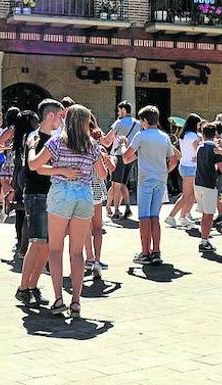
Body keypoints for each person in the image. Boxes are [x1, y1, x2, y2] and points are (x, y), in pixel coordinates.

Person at [28, 104, 109, 318]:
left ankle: (58, 299)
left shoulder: (57, 142)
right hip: (84, 196)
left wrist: (32, 149)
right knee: (77, 252)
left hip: (61, 194)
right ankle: (76, 302)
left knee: (55, 249)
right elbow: (102, 175)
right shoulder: (92, 145)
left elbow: (35, 165)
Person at [15, 99, 65, 307]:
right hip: (36, 194)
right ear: (51, 116)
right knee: (37, 243)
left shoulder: (52, 138)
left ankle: (32, 286)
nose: (61, 121)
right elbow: (33, 165)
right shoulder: (35, 137)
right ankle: (22, 288)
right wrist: (60, 171)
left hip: (48, 194)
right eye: (60, 116)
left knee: (45, 245)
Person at [120, 105, 178, 265]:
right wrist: (165, 171)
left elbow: (125, 158)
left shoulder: (141, 135)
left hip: (145, 180)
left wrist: (124, 144)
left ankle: (145, 253)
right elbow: (173, 160)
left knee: (144, 217)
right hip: (160, 179)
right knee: (154, 217)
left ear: (144, 120)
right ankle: (156, 251)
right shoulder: (164, 137)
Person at [193, 122, 222, 253]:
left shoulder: (200, 146)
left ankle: (204, 239)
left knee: (204, 215)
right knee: (209, 215)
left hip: (198, 183)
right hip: (209, 184)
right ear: (215, 133)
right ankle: (204, 241)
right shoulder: (215, 148)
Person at [85, 116, 116, 277]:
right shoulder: (98, 148)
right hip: (95, 190)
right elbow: (110, 169)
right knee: (97, 228)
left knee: (82, 228)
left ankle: (87, 259)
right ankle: (96, 260)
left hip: (79, 191)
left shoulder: (74, 146)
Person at [164, 114, 202, 228]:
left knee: (191, 195)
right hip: (191, 167)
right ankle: (171, 216)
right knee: (187, 195)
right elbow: (198, 150)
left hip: (185, 165)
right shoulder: (194, 136)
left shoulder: (184, 135)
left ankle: (183, 216)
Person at [105, 100, 141, 219]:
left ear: (124, 110)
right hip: (131, 156)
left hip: (119, 155)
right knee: (123, 184)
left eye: (119, 110)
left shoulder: (119, 122)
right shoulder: (138, 123)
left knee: (116, 184)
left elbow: (107, 140)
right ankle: (124, 208)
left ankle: (116, 210)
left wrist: (100, 138)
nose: (118, 112)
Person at [11, 111, 40, 259]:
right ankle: (25, 246)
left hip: (21, 173)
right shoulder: (32, 136)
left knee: (21, 212)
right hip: (29, 173)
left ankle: (20, 243)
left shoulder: (19, 137)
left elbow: (16, 161)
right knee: (30, 212)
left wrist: (14, 182)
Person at [0, 107, 19, 222]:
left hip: (9, 158)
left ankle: (10, 196)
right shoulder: (20, 129)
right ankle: (12, 195)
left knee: (4, 181)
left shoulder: (10, 129)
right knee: (13, 180)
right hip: (16, 158)